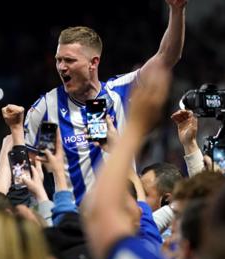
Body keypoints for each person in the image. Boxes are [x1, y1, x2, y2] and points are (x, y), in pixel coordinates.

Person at [24, 0, 187, 204]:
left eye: (69, 60)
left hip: (123, 219)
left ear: (94, 62)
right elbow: (28, 168)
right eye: (59, 60)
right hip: (71, 225)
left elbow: (167, 57)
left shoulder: (120, 91)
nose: (61, 67)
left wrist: (176, 10)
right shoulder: (45, 107)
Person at [84, 63, 174, 259]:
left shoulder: (141, 256)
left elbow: (101, 217)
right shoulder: (151, 241)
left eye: (123, 206)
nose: (137, 202)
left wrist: (135, 125)